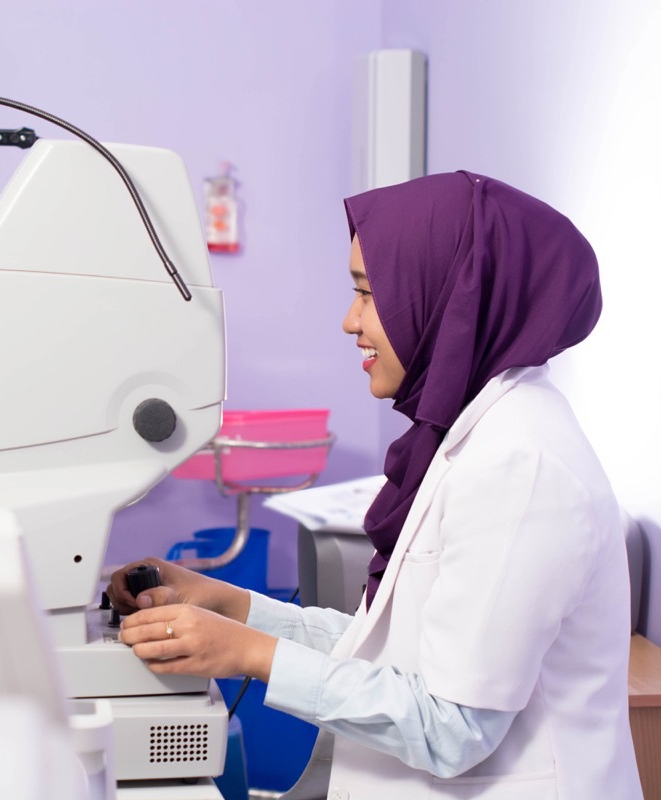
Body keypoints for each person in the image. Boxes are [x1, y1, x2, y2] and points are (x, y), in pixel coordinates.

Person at [109, 172, 642, 799]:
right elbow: (394, 653)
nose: (349, 321)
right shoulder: (469, 435)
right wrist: (230, 605)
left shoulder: (520, 466)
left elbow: (452, 728)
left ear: (450, 296)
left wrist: (248, 653)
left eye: (368, 292)